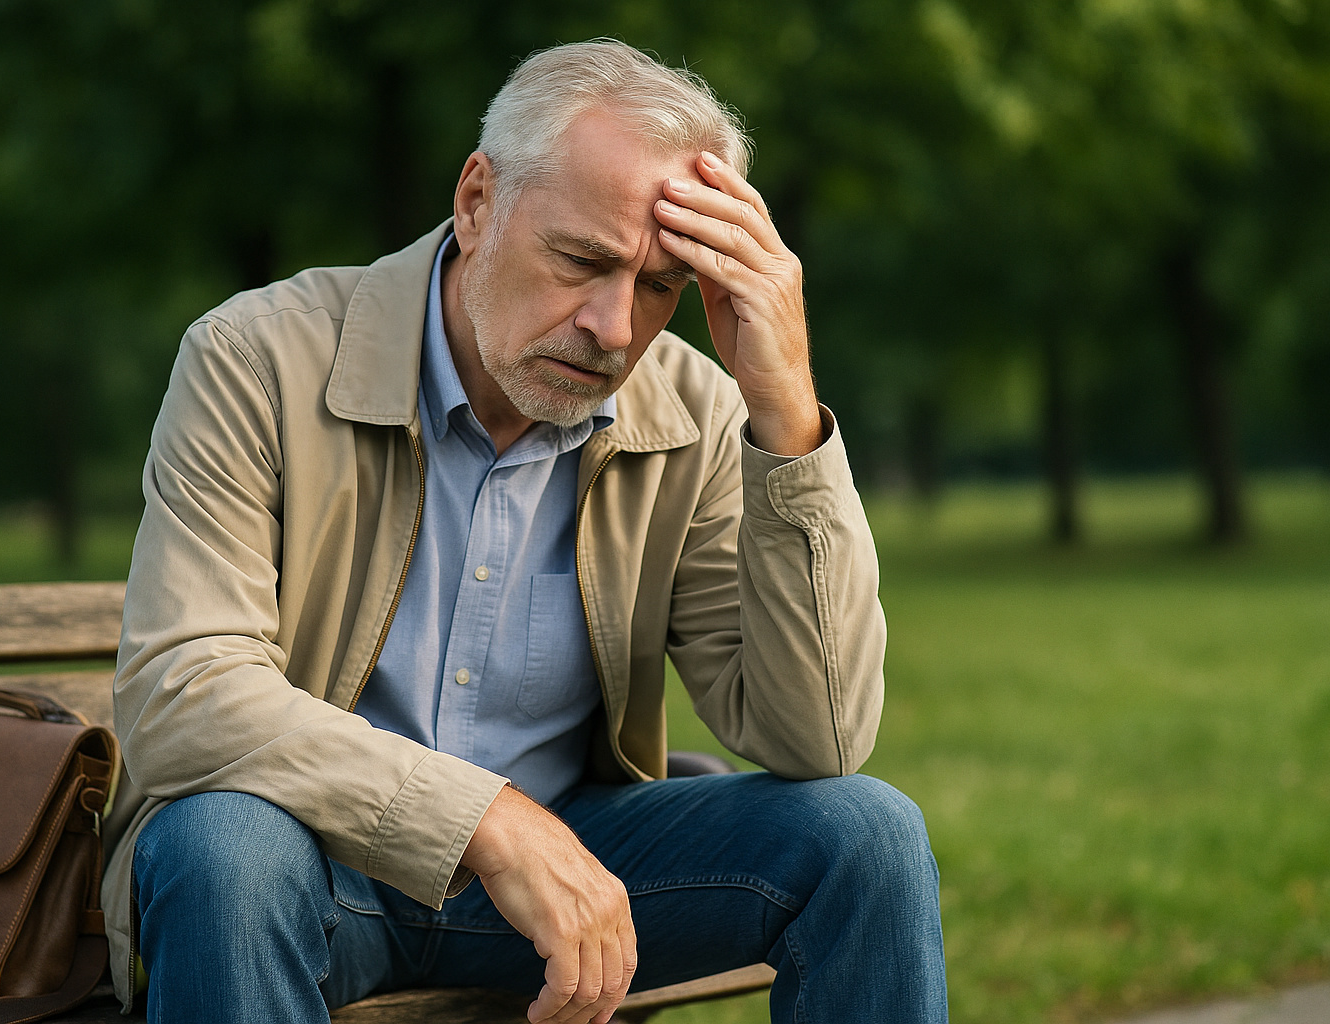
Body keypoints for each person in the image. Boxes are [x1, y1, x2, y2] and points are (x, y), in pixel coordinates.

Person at [100, 38, 947, 1024]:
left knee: (868, 835)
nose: (616, 327)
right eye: (581, 260)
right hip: (313, 863)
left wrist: (786, 411)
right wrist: (484, 823)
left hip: (578, 865)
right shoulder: (256, 358)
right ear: (476, 201)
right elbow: (184, 694)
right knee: (221, 849)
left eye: (660, 285)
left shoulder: (704, 413)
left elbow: (820, 736)